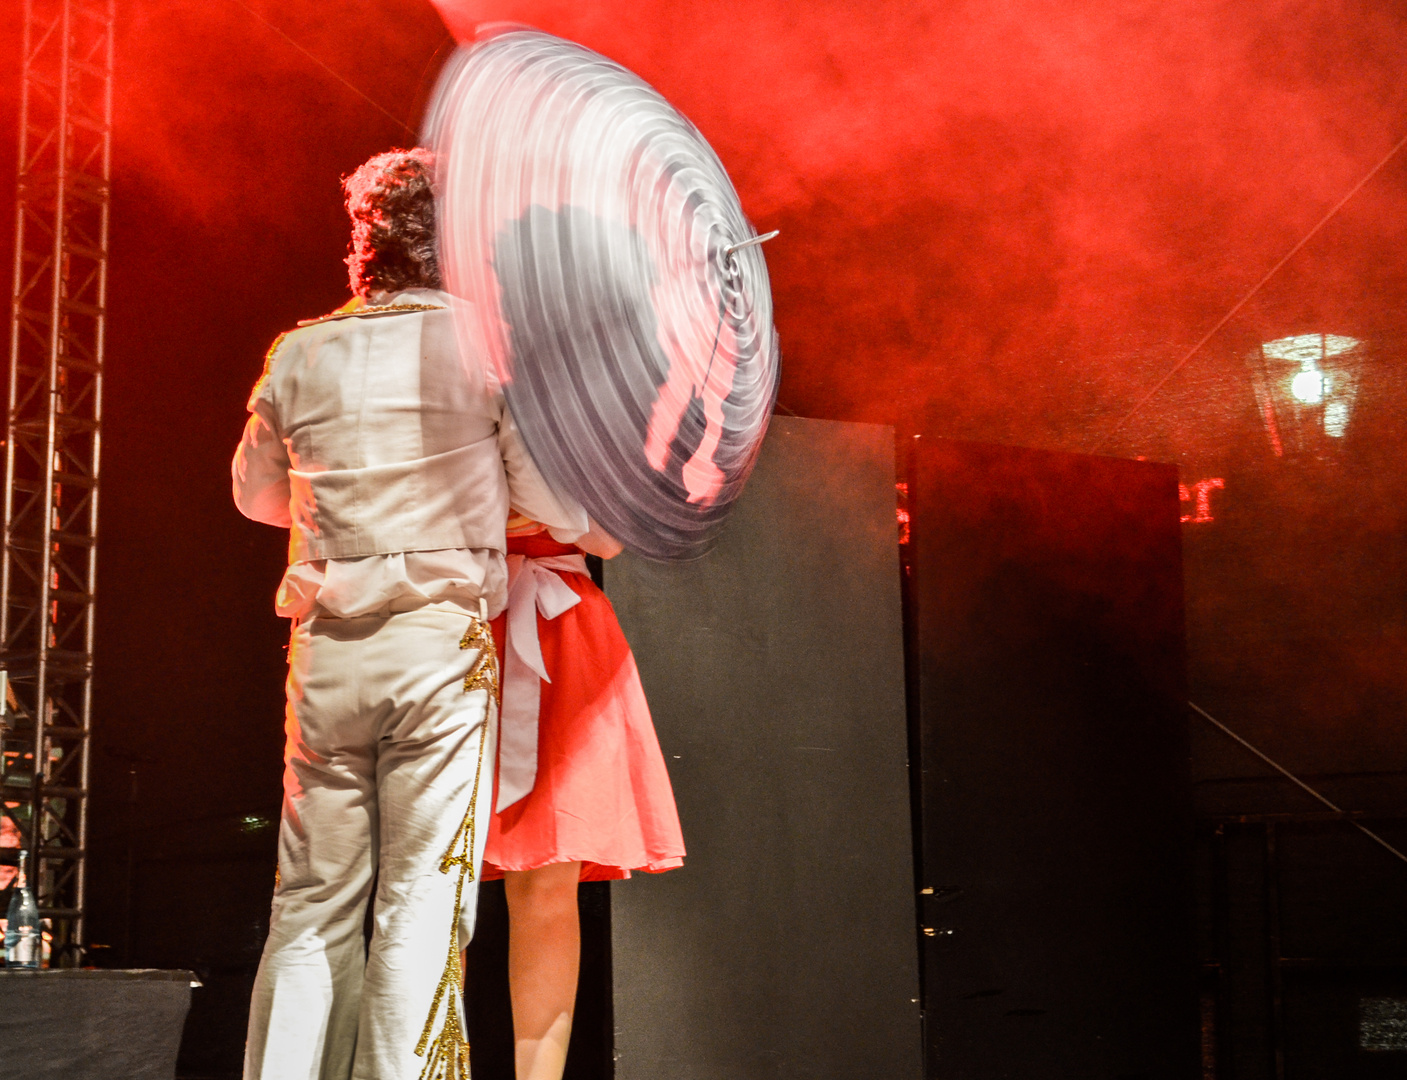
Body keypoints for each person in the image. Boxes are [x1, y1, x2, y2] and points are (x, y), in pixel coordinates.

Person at [233, 147, 596, 1080]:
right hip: (437, 648)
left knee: (309, 901)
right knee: (419, 903)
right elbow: (557, 506)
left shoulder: (298, 348)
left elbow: (254, 496)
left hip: (325, 651)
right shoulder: (485, 343)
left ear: (366, 243)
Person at [477, 511, 685, 1080]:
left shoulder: (576, 419)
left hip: (557, 622)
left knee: (548, 879)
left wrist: (548, 509)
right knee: (430, 882)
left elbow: (612, 537)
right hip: (450, 613)